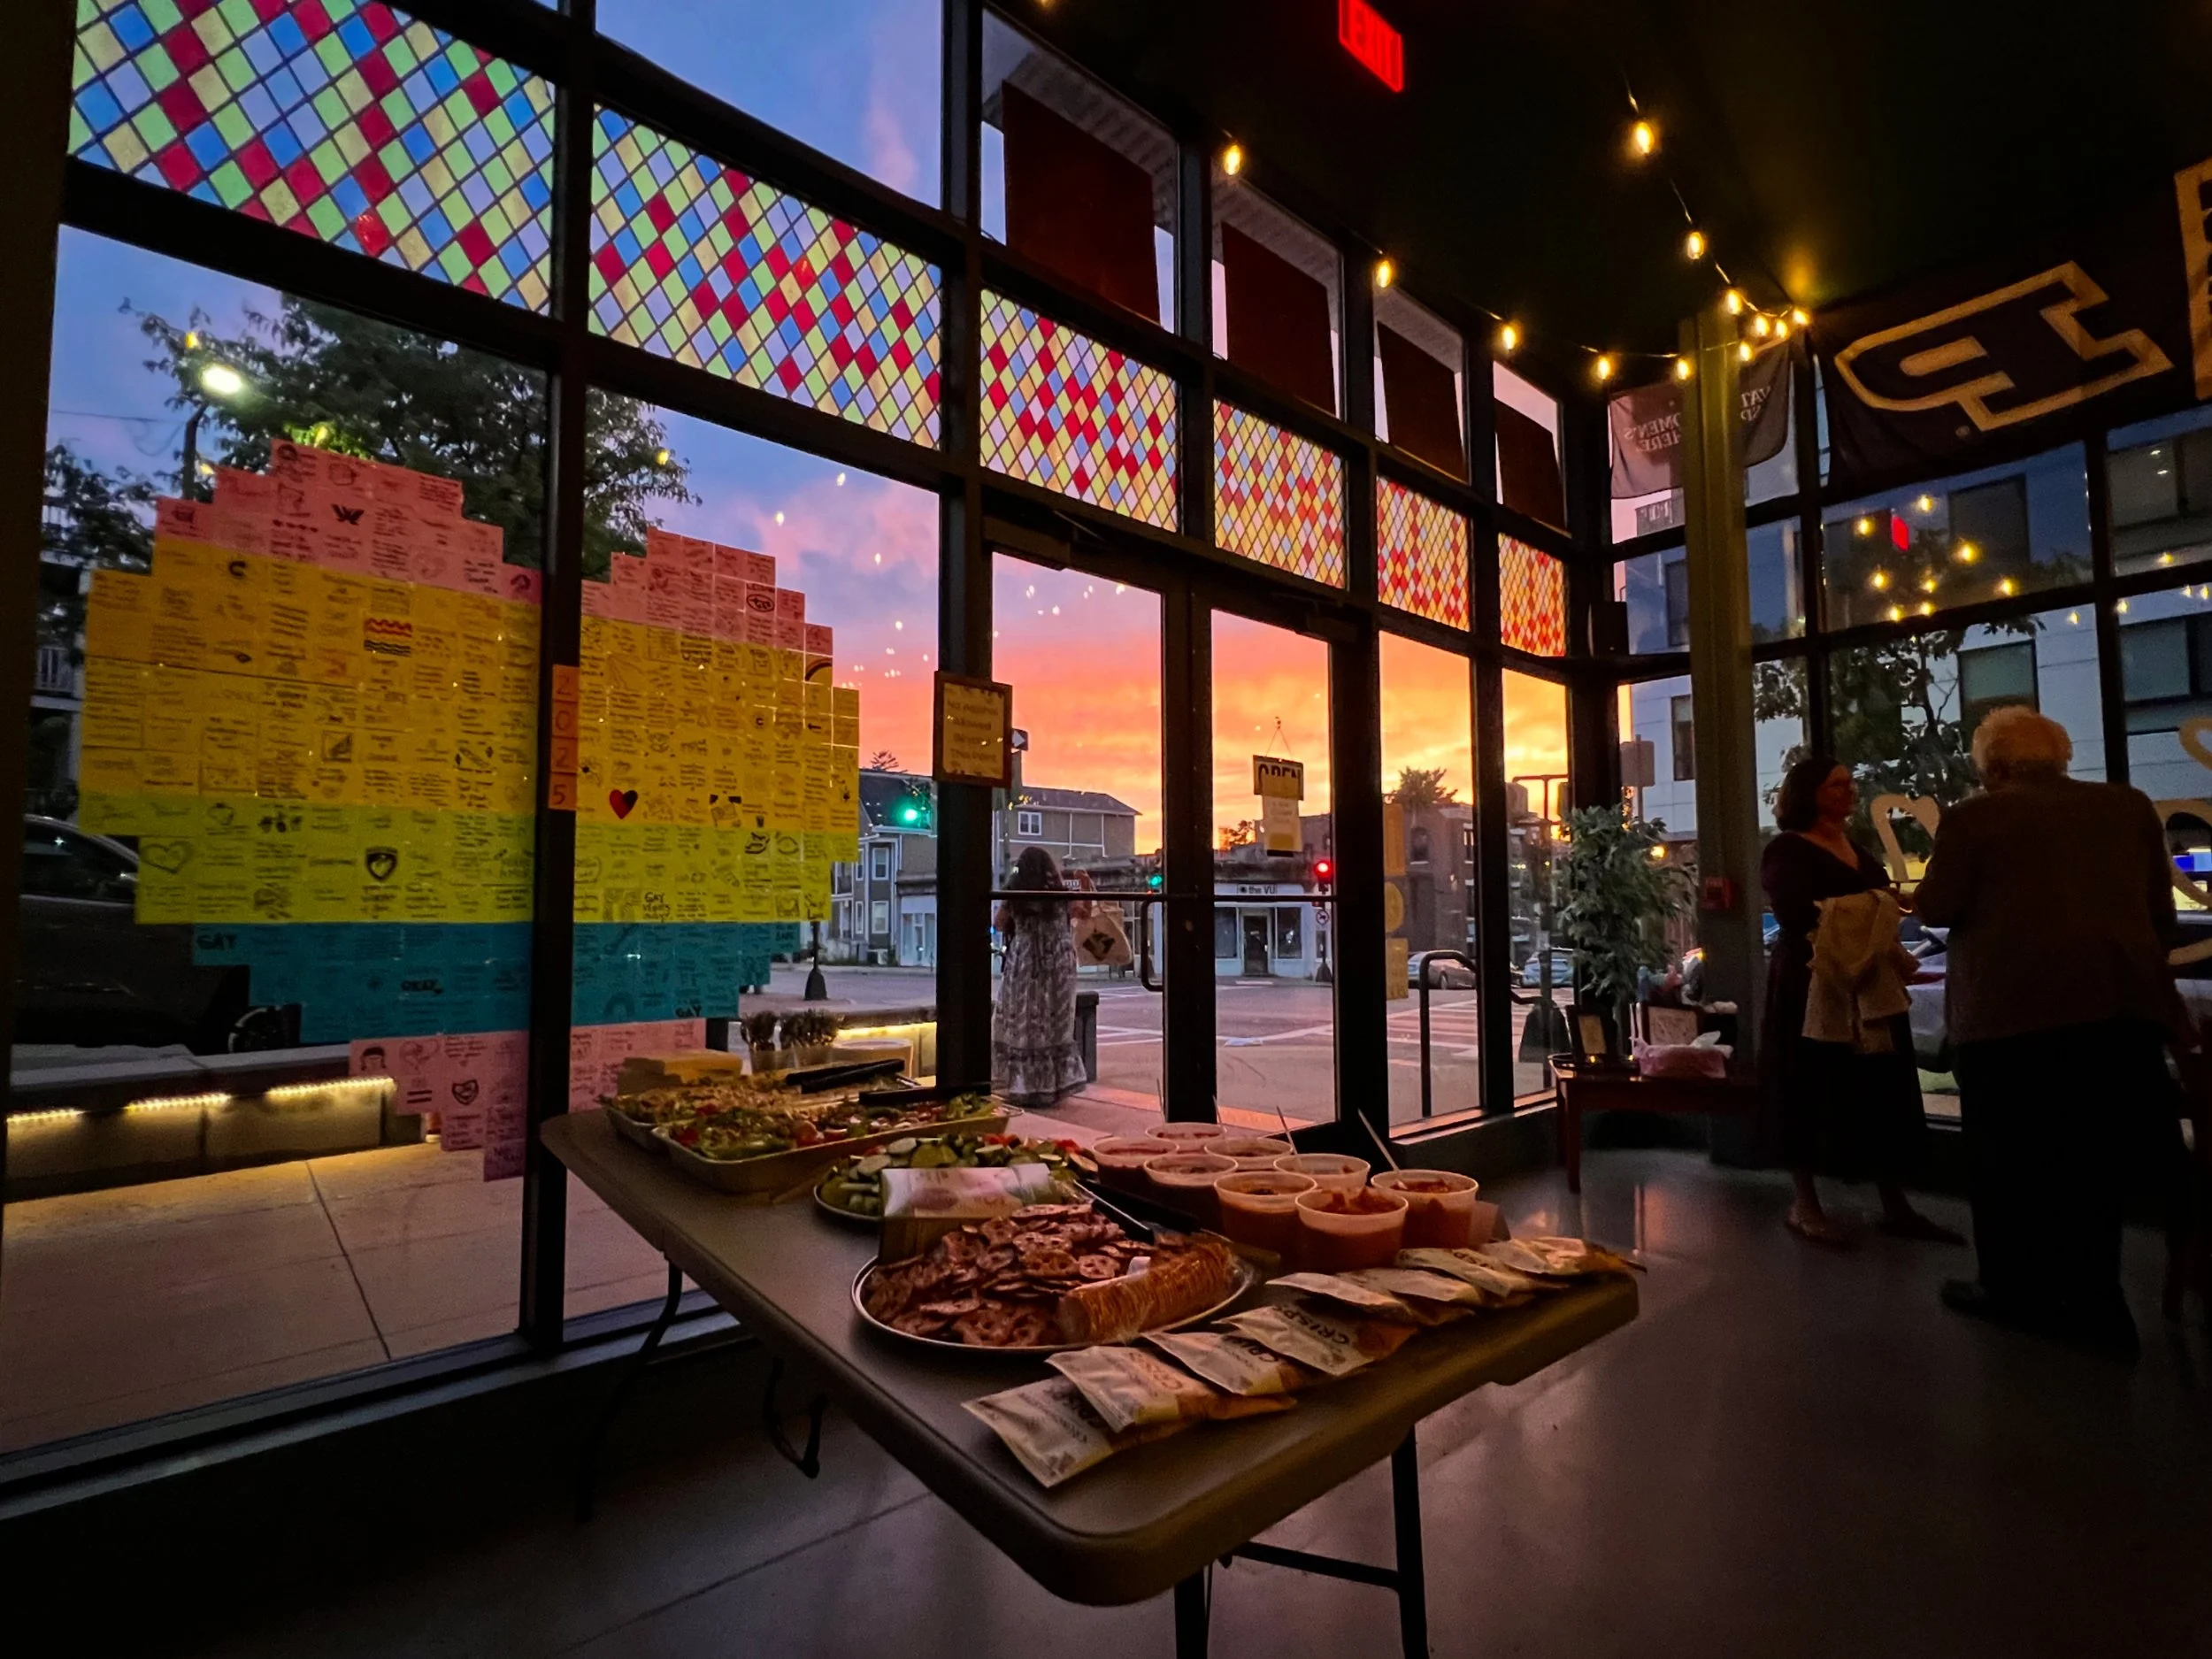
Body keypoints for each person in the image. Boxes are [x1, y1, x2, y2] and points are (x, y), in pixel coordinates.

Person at [1914, 706, 2185, 1354]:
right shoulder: (2128, 806)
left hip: (2011, 1019)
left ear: (1995, 767)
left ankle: (2012, 1290)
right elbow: (2159, 913)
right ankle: (2102, 1301)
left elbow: (1936, 905)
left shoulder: (1976, 817)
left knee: (2009, 1165)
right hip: (2119, 1014)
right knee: (2094, 1165)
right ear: (2060, 757)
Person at [1759, 755, 1961, 1247]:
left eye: (1850, 783)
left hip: (1867, 984)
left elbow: (1874, 899)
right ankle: (1804, 1202)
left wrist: (1887, 903)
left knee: (1879, 1086)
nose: (1849, 792)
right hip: (1813, 982)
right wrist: (1878, 905)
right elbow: (1793, 913)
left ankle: (1894, 1202)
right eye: (1836, 785)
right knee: (1807, 1082)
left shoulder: (1853, 845)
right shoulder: (1786, 849)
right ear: (1808, 793)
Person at [991, 846, 1092, 1109]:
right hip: (1059, 961)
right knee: (1054, 1024)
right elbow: (1084, 912)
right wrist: (1085, 885)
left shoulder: (1014, 894)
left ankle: (1023, 1084)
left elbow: (999, 923)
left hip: (1025, 960)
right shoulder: (1061, 895)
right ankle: (1053, 1085)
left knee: (1025, 1024)